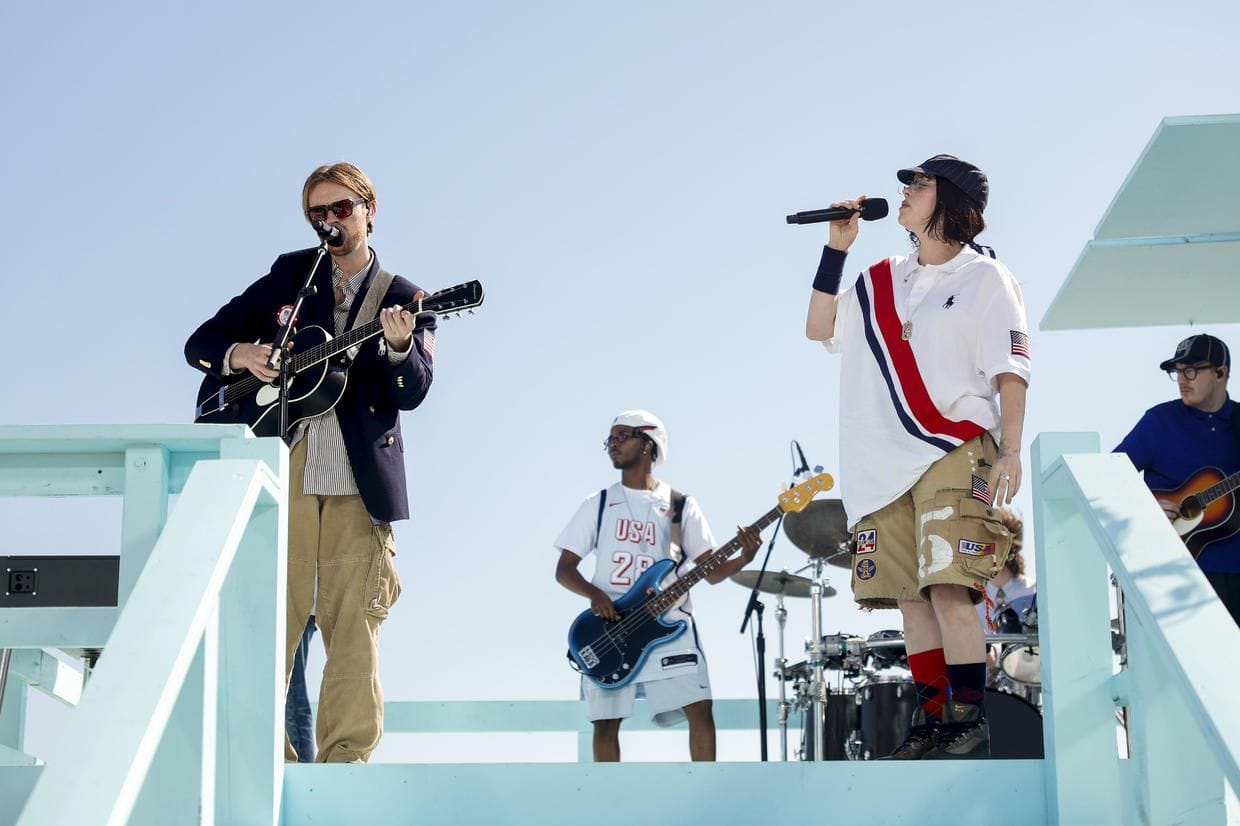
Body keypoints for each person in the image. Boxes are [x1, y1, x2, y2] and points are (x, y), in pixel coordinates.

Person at [185, 161, 437, 763]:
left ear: (369, 210)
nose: (329, 221)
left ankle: (346, 763)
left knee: (353, 632)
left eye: (341, 208)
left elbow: (415, 390)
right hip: (286, 475)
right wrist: (245, 353)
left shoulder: (405, 297)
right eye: (317, 213)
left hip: (358, 487)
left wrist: (400, 346)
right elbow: (200, 343)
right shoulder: (290, 276)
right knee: (270, 623)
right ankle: (260, 759)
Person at [804, 155, 1031, 760]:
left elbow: (1011, 371)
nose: (904, 192)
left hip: (954, 445)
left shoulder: (985, 278)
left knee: (950, 588)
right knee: (909, 596)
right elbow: (818, 326)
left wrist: (1010, 449)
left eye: (919, 183)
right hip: (879, 463)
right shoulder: (880, 278)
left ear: (951, 200)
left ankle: (968, 716)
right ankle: (933, 720)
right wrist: (837, 248)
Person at [554, 410, 761, 762]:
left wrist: (744, 557)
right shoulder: (599, 503)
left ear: (649, 444)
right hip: (610, 627)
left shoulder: (681, 507)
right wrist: (596, 595)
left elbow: (709, 571)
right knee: (606, 722)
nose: (613, 445)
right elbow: (565, 570)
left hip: (669, 624)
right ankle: (609, 808)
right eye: (610, 439)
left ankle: (705, 797)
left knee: (700, 709)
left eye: (622, 436)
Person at [1115, 334, 1239, 624]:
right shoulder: (1159, 421)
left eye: (1192, 370)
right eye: (1178, 371)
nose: (1183, 379)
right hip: (1174, 575)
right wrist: (1146, 507)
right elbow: (1109, 480)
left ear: (1222, 372)